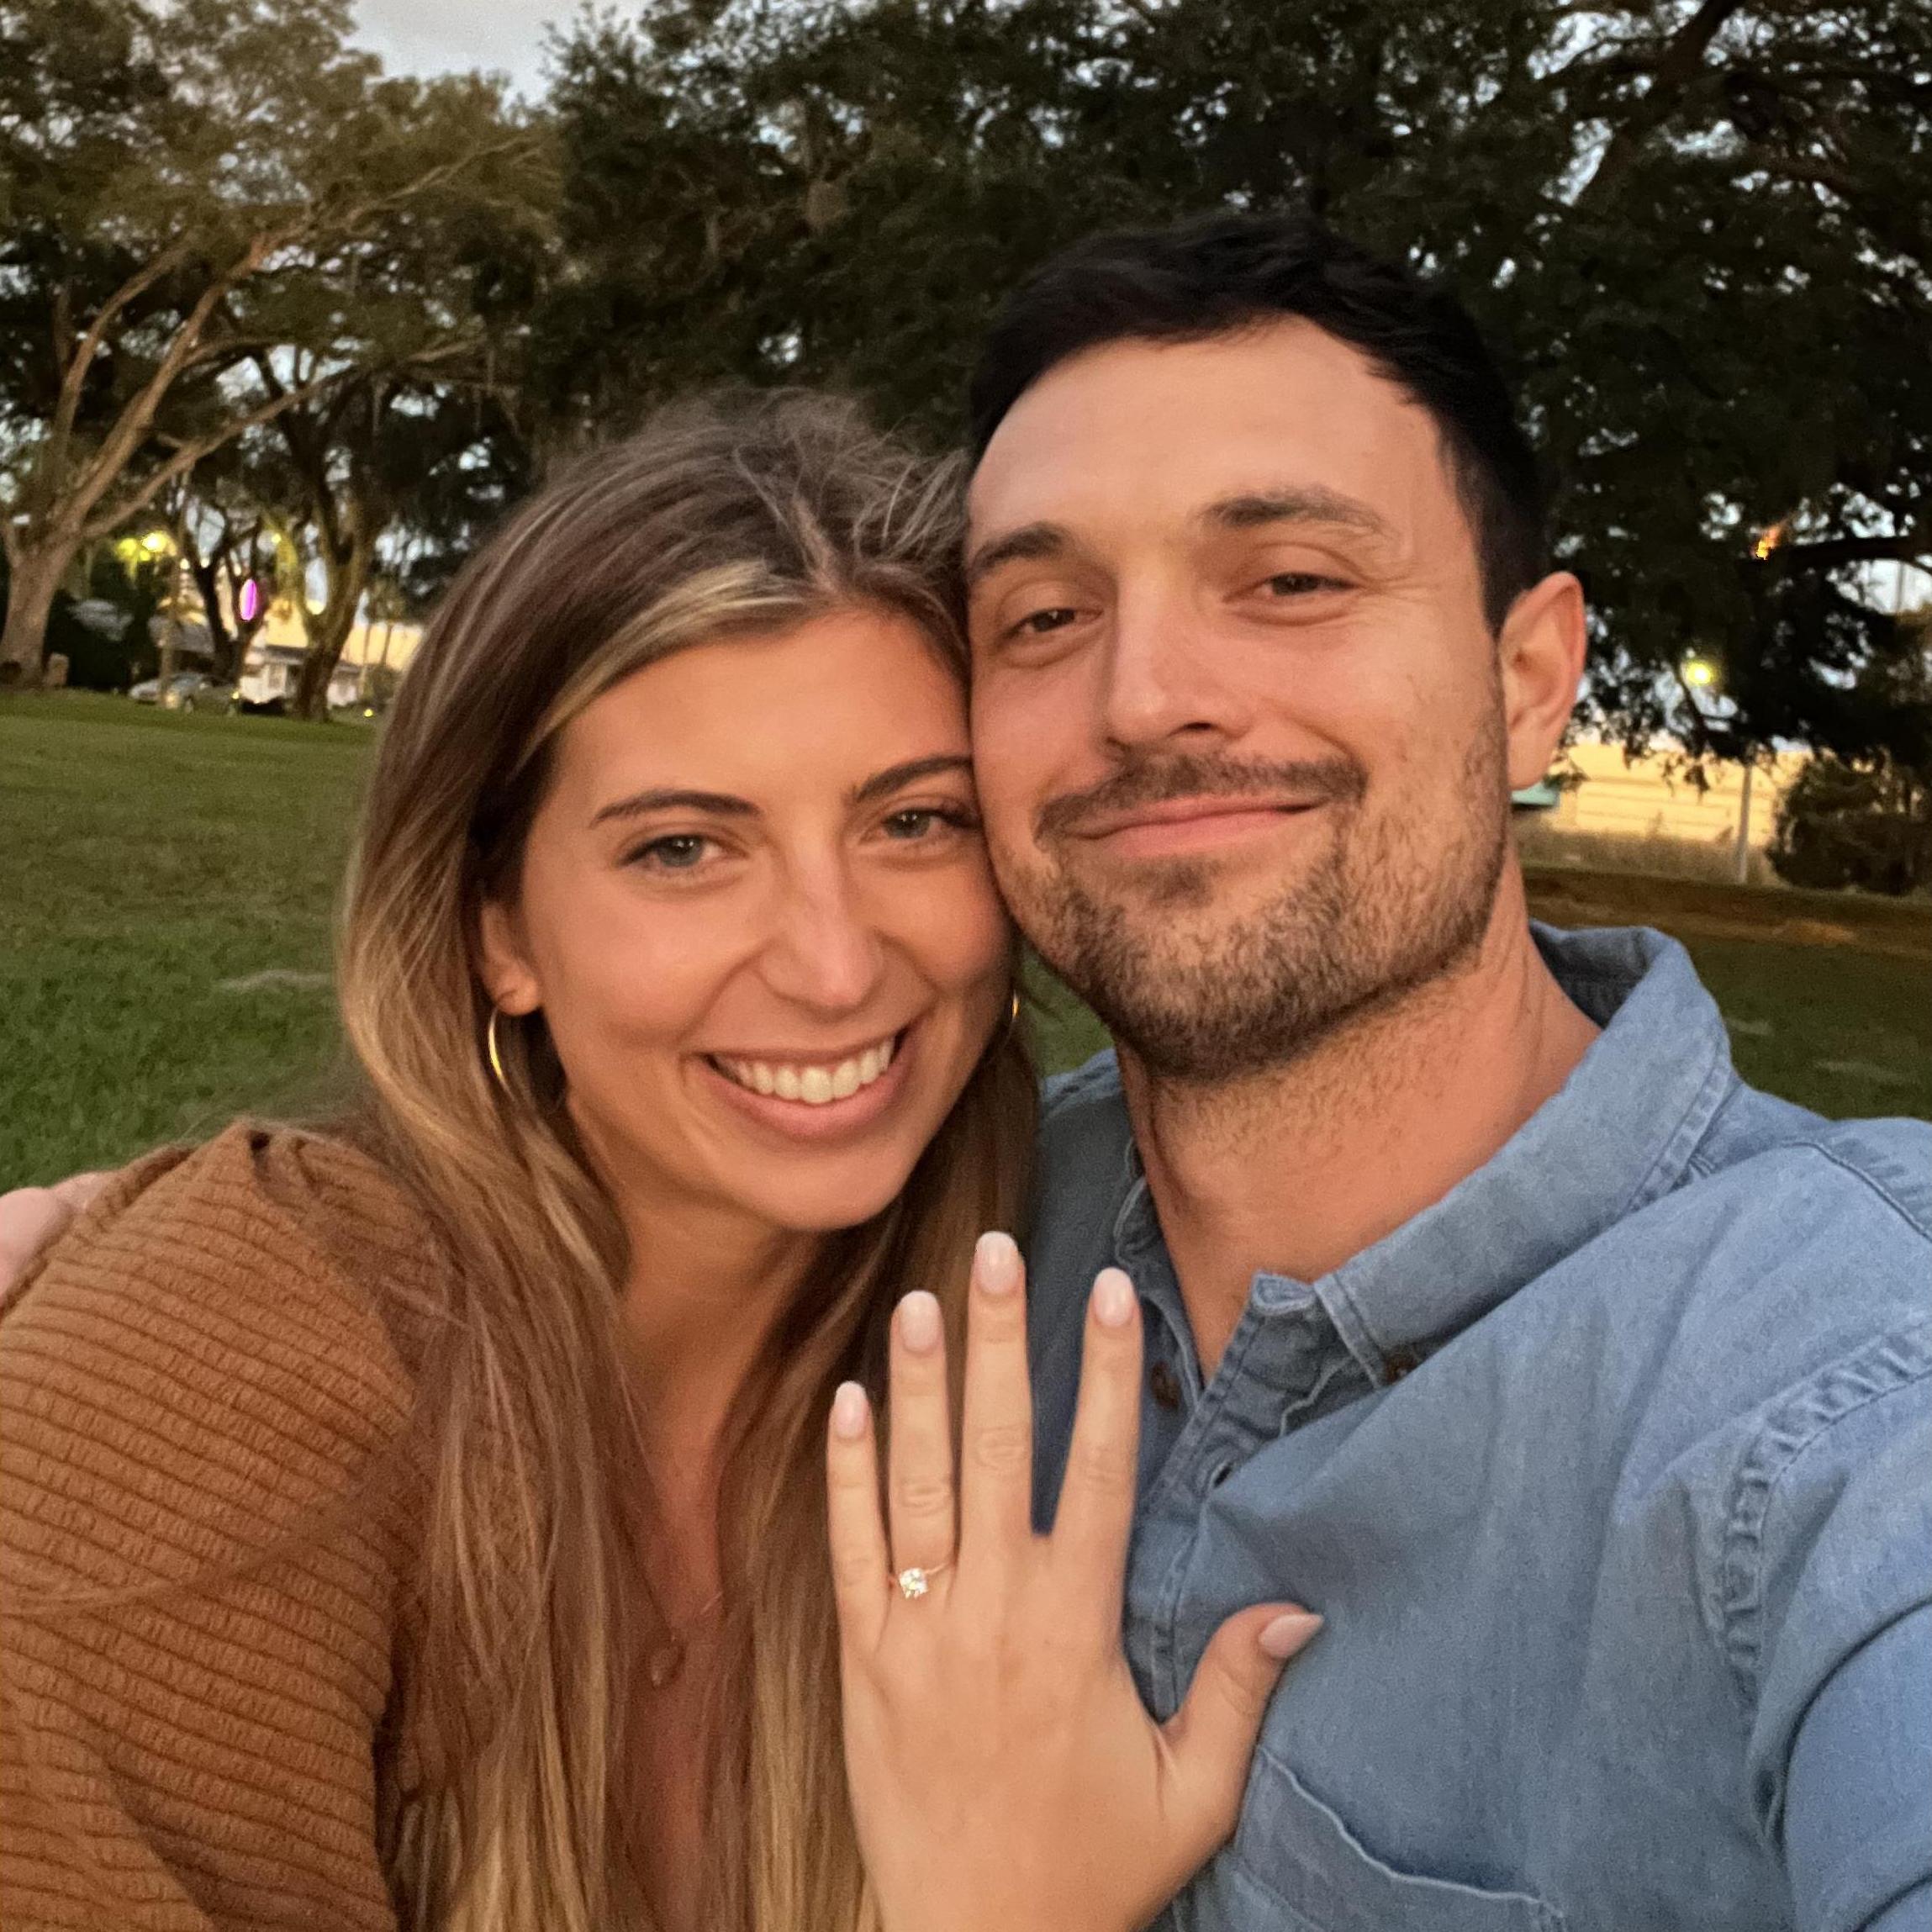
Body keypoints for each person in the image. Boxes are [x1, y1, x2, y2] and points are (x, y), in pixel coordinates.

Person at [0, 393, 1319, 1932]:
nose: (834, 968)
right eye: (682, 849)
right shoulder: (231, 1380)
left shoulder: (1020, 1320)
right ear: (499, 928)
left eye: (912, 820)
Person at [832, 212, 1930, 1932]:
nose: (1144, 699)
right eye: (1044, 616)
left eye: (1291, 581)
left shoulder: (1848, 1401)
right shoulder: (938, 1236)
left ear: (1530, 679)